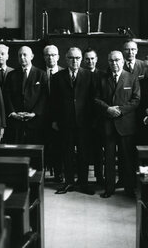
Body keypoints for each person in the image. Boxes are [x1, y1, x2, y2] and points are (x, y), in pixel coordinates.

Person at [95, 50, 140, 198]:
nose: (114, 63)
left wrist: (120, 110)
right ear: (108, 62)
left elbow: (136, 100)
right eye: (111, 61)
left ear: (122, 61)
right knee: (108, 159)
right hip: (107, 124)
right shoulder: (101, 78)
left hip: (125, 124)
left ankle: (128, 188)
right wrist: (107, 109)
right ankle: (109, 188)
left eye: (117, 60)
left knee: (126, 158)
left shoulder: (132, 78)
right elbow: (95, 99)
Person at [51, 47, 95, 195]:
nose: (74, 61)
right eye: (71, 58)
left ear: (81, 59)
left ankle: (83, 184)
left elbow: (92, 100)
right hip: (65, 122)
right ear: (66, 59)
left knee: (84, 154)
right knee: (67, 153)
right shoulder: (57, 77)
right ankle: (69, 182)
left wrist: (92, 121)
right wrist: (55, 120)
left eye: (77, 58)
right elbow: (54, 101)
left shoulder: (89, 76)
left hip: (84, 122)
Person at [3, 46, 48, 144]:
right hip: (16, 121)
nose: (22, 57)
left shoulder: (41, 74)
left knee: (34, 152)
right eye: (20, 55)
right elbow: (7, 96)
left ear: (32, 56)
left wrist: (34, 113)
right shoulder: (11, 75)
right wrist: (13, 113)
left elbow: (44, 97)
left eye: (25, 55)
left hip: (35, 122)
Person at [83, 48, 105, 186]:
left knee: (98, 150)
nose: (90, 61)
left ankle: (99, 176)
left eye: (92, 58)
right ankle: (83, 178)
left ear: (96, 59)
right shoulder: (80, 74)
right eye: (87, 59)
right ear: (84, 60)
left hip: (99, 118)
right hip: (83, 118)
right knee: (83, 149)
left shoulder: (103, 75)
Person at [43, 44, 64, 183]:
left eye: (53, 54)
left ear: (58, 56)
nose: (50, 57)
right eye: (47, 55)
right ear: (44, 57)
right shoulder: (38, 73)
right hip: (43, 117)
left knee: (59, 147)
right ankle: (41, 175)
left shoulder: (64, 72)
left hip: (60, 117)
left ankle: (59, 174)